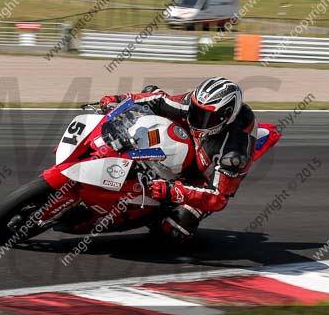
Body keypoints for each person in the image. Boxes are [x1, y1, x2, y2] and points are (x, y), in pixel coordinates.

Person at [99, 78, 257, 239]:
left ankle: (158, 213)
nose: (198, 119)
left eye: (208, 117)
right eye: (197, 111)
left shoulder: (234, 152)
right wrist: (119, 100)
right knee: (150, 91)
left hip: (205, 180)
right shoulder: (193, 103)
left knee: (173, 230)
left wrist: (172, 191)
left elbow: (217, 198)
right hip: (194, 144)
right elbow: (160, 100)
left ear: (226, 116)